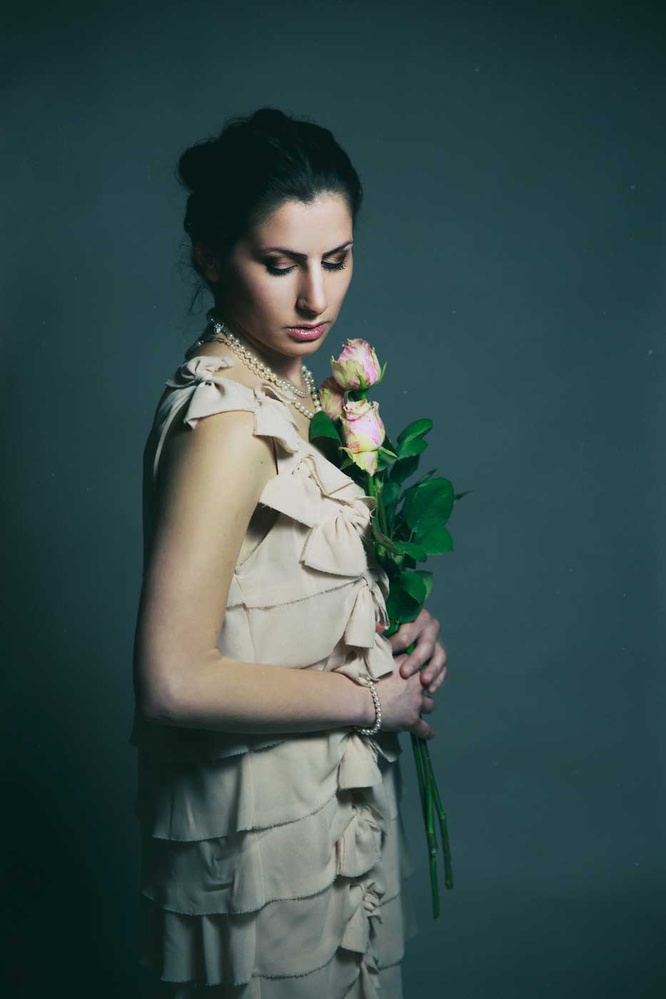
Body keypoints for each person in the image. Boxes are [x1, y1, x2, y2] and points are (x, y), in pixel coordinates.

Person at [129, 106, 449, 998]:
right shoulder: (227, 421)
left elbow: (284, 581)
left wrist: (398, 625)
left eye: (335, 259)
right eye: (280, 264)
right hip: (263, 828)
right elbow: (172, 679)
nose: (316, 298)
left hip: (325, 800)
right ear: (209, 256)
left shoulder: (294, 388)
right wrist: (375, 700)